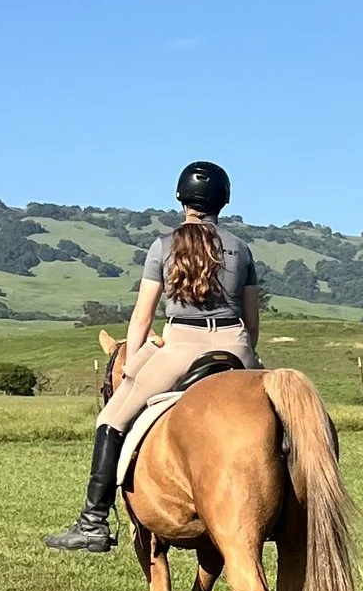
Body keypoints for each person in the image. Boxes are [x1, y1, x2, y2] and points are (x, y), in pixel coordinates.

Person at [43, 161, 263, 552]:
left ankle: (93, 521)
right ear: (223, 201)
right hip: (236, 345)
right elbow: (252, 320)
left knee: (111, 417)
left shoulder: (163, 246)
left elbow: (142, 316)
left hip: (180, 344)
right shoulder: (242, 249)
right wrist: (249, 356)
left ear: (181, 198)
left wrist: (131, 365)